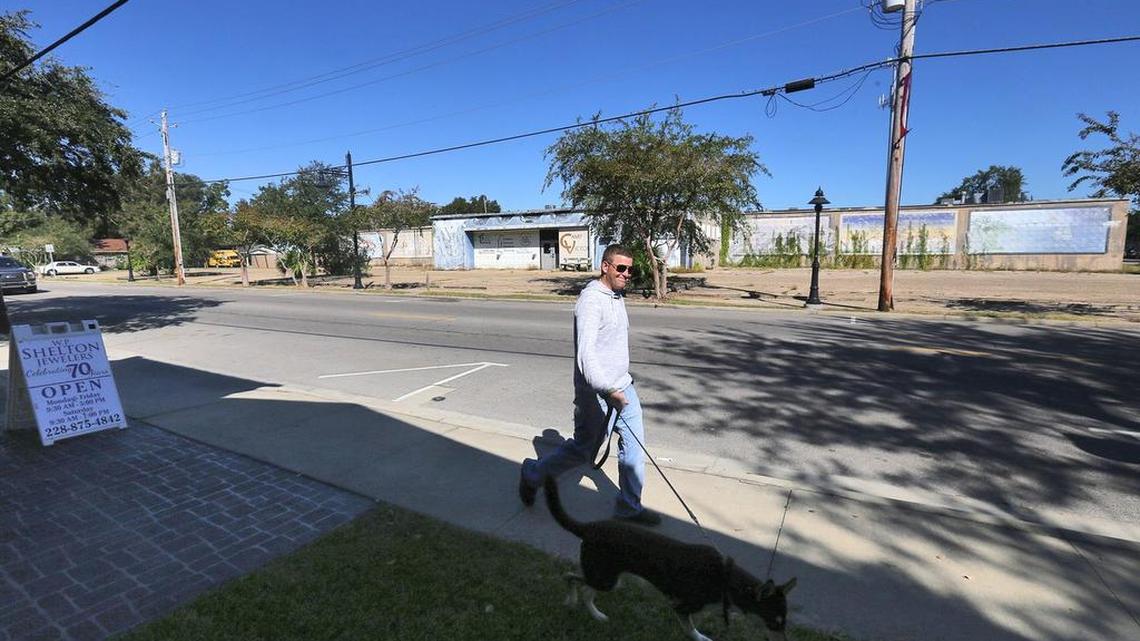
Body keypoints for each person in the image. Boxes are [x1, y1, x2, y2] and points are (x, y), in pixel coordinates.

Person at [518, 244, 661, 526]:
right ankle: (532, 474)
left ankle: (629, 507)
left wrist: (620, 386)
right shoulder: (591, 301)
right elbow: (587, 356)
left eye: (630, 269)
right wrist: (608, 391)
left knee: (634, 447)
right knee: (582, 450)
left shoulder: (615, 296)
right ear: (605, 266)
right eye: (621, 268)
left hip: (623, 387)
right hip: (596, 393)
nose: (626, 274)